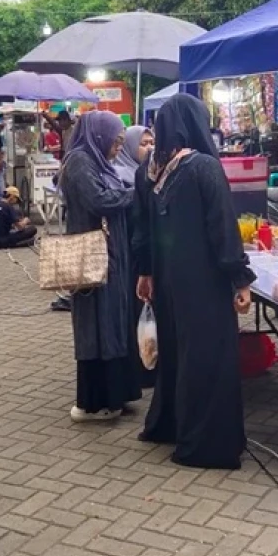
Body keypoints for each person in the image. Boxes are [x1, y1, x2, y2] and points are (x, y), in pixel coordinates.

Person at [133, 94, 254, 470]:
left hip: (168, 280)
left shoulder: (149, 170)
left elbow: (141, 230)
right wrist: (240, 278)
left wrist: (146, 272)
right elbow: (222, 228)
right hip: (203, 280)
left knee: (178, 354)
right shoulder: (202, 167)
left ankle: (170, 425)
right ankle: (204, 444)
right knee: (208, 359)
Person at [60, 111, 140, 422]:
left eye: (122, 142)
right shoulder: (80, 160)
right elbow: (100, 200)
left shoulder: (97, 160)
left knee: (113, 321)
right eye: (115, 141)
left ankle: (117, 394)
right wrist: (137, 192)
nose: (118, 147)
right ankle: (94, 403)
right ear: (99, 136)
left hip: (110, 254)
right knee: (97, 325)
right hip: (92, 257)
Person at [114, 126, 156, 389]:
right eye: (143, 144)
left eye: (152, 142)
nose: (150, 148)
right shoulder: (120, 176)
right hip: (129, 259)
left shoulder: (151, 175)